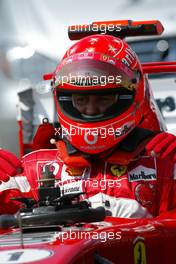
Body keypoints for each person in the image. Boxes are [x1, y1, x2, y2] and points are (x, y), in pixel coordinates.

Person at [0, 34, 176, 218]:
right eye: (81, 100)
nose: (91, 110)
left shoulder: (164, 164)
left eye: (104, 99)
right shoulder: (33, 169)